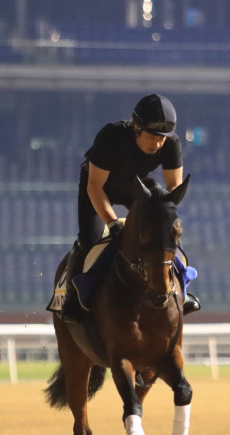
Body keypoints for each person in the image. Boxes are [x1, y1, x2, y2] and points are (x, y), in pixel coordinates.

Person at [60, 93, 201, 322]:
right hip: (99, 187)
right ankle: (72, 299)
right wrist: (114, 225)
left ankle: (182, 292)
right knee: (89, 239)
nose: (157, 144)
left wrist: (162, 217)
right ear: (137, 127)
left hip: (137, 186)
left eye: (162, 139)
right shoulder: (110, 136)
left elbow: (173, 187)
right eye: (153, 137)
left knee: (167, 236)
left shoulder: (171, 143)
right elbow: (95, 187)